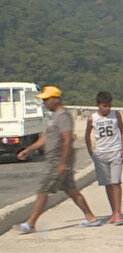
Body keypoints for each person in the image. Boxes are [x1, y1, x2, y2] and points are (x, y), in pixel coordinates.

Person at [16, 86, 103, 233]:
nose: (44, 103)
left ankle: (30, 223)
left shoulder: (63, 115)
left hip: (58, 159)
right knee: (71, 190)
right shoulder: (54, 116)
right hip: (56, 158)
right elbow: (46, 137)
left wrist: (63, 162)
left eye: (46, 100)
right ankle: (91, 218)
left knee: (43, 190)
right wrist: (29, 149)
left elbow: (67, 139)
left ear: (55, 99)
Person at [84, 90, 123, 225]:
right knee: (108, 184)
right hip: (101, 154)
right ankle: (113, 212)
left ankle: (118, 213)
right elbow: (87, 135)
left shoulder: (116, 115)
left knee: (116, 182)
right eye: (104, 106)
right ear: (98, 105)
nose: (107, 108)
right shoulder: (92, 118)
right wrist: (91, 152)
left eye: (109, 105)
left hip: (115, 151)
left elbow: (122, 132)